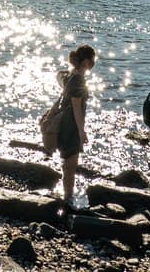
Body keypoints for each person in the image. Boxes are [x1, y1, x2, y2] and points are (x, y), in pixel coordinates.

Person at [50, 44, 95, 215]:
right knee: (71, 164)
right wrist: (82, 131)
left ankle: (66, 194)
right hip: (70, 127)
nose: (93, 64)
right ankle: (68, 198)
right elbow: (77, 108)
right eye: (92, 60)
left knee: (66, 162)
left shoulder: (70, 75)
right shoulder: (78, 80)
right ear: (85, 61)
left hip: (64, 124)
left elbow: (59, 76)